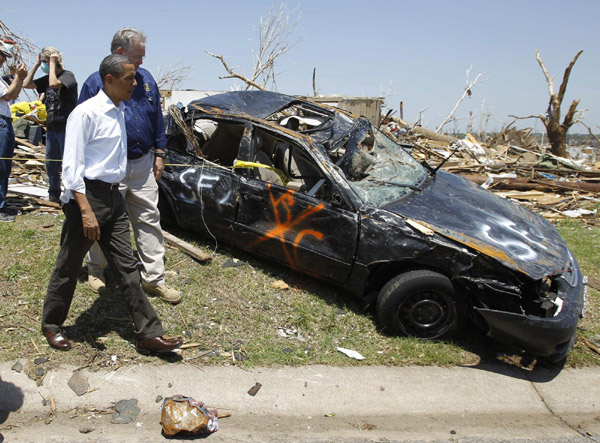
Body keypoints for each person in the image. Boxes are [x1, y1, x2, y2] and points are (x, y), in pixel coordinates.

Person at [41, 54, 182, 354]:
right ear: (109, 80)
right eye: (129, 78)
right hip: (87, 197)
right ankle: (52, 325)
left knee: (128, 269)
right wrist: (85, 210)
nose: (135, 83)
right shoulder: (85, 113)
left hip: (113, 197)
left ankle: (148, 334)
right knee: (69, 264)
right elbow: (71, 168)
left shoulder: (119, 110)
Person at [78, 28, 181, 304]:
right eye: (137, 57)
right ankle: (96, 269)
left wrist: (159, 152)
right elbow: (83, 128)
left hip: (143, 163)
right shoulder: (94, 83)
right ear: (119, 53)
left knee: (149, 218)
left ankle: (153, 279)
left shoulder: (146, 80)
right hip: (110, 168)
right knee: (103, 220)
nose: (141, 63)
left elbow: (157, 118)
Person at [24, 47, 78, 203]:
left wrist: (53, 63)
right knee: (51, 162)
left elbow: (54, 84)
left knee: (68, 162)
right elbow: (27, 84)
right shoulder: (47, 78)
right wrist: (35, 65)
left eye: (45, 62)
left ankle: (71, 193)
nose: (44, 65)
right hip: (52, 127)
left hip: (66, 127)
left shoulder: (68, 76)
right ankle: (54, 192)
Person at [0, 41, 28, 222]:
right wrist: (18, 77)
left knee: (5, 165)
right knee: (1, 165)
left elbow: (14, 94)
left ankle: (2, 202)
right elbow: (8, 95)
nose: (3, 60)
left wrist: (19, 78)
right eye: (2, 56)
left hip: (5, 121)